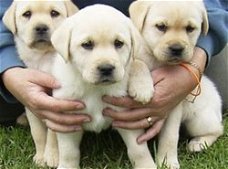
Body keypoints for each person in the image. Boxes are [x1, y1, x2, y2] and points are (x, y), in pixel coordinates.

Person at [0, 0, 227, 143]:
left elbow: (208, 8)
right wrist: (8, 67)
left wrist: (193, 66)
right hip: (65, 38)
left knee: (214, 93)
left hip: (138, 38)